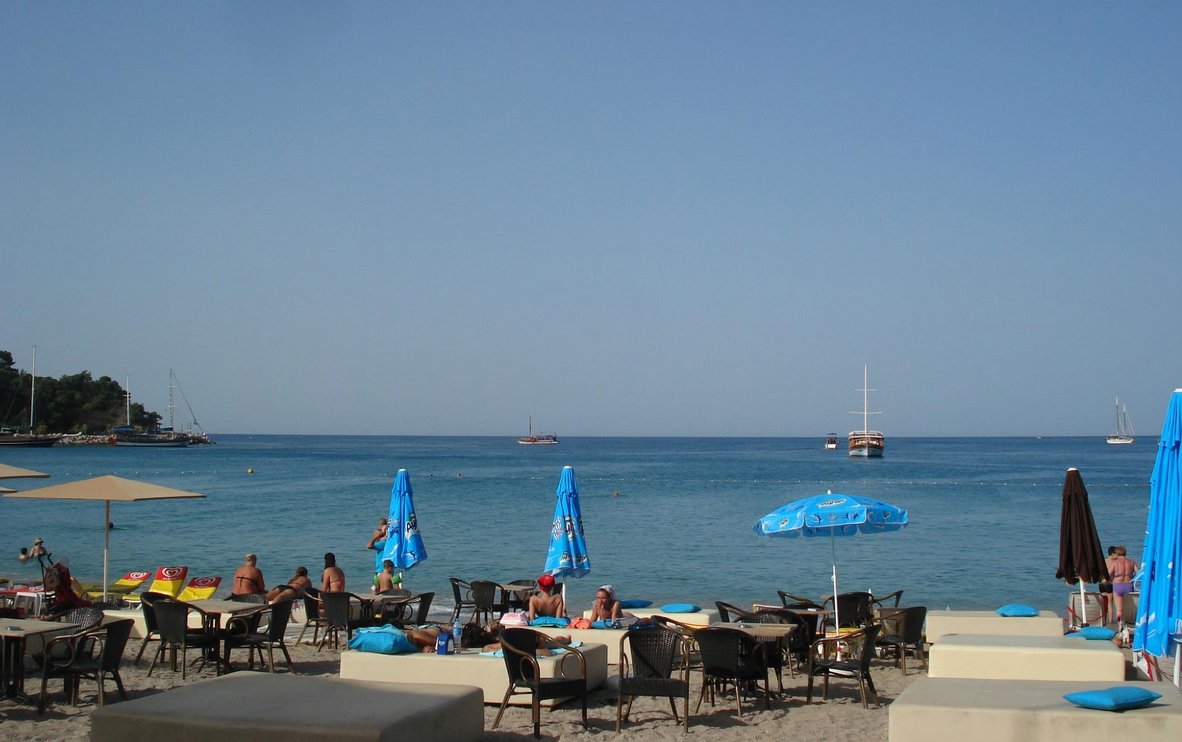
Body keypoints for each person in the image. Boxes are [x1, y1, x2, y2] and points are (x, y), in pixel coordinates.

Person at [1107, 545, 1137, 626]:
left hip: (1117, 586)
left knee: (1119, 609)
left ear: (1117, 553)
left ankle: (1120, 626)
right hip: (1129, 586)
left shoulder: (1114, 563)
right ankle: (1129, 625)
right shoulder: (1131, 562)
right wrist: (1131, 577)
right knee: (1128, 609)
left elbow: (1108, 575)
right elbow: (1139, 574)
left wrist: (1110, 580)